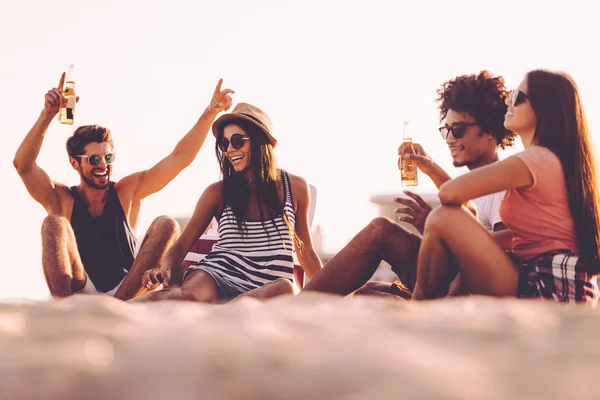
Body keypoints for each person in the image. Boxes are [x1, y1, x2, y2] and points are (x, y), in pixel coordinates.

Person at [13, 72, 234, 300]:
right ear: (74, 162)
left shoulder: (126, 191)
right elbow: (23, 166)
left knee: (166, 224)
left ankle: (119, 306)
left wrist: (210, 113)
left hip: (126, 289)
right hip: (80, 290)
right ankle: (61, 309)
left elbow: (179, 158)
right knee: (53, 223)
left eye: (107, 158)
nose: (103, 165)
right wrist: (48, 114)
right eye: (94, 159)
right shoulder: (62, 199)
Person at [302, 71, 516, 298]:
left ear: (490, 131)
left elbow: (507, 250)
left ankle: (298, 305)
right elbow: (467, 215)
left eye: (458, 130)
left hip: (470, 288)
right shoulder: (478, 184)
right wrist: (435, 227)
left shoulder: (501, 185)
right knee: (369, 293)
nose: (450, 138)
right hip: (453, 274)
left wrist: (447, 236)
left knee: (380, 231)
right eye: (446, 130)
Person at [411, 69, 600, 305]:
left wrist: (460, 237)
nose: (509, 102)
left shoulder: (535, 160)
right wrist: (470, 242)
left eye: (518, 97)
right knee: (446, 222)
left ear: (544, 109)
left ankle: (418, 304)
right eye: (511, 95)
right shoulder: (551, 160)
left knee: (442, 217)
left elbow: (450, 194)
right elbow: (519, 236)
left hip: (550, 283)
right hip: (557, 280)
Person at [137, 102, 323, 303]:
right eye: (224, 144)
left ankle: (222, 312)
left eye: (237, 141)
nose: (230, 150)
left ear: (260, 141)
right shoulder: (217, 193)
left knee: (285, 288)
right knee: (187, 296)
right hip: (217, 275)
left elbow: (306, 252)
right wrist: (164, 268)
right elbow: (182, 244)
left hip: (267, 285)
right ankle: (119, 310)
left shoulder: (295, 187)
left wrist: (333, 294)